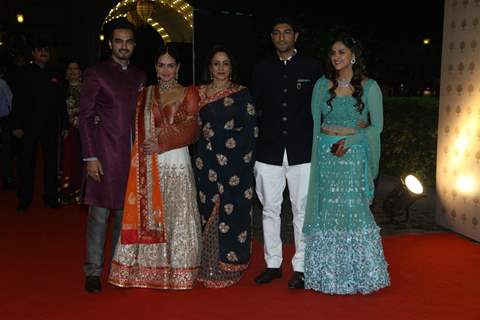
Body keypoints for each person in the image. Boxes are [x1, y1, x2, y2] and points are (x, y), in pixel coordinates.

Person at [108, 45, 202, 290]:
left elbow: (191, 130)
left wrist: (161, 141)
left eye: (171, 65)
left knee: (177, 214)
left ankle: (179, 269)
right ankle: (145, 269)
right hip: (149, 161)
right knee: (149, 213)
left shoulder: (189, 92)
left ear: (178, 68)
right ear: (156, 68)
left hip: (176, 161)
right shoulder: (145, 93)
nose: (166, 70)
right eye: (161, 65)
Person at [303, 35, 390, 294]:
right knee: (327, 210)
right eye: (333, 53)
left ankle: (363, 274)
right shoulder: (321, 85)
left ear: (353, 55)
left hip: (352, 156)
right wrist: (322, 150)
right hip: (326, 155)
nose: (336, 57)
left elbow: (378, 126)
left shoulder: (370, 87)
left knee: (354, 209)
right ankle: (327, 275)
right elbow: (315, 123)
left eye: (341, 52)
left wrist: (352, 140)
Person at [251, 17, 322, 289]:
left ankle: (301, 267)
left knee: (301, 210)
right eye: (277, 33)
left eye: (287, 33)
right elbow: (253, 108)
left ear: (296, 36)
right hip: (268, 151)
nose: (282, 37)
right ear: (272, 37)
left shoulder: (312, 67)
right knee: (269, 209)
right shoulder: (261, 68)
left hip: (301, 151)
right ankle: (272, 264)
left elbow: (319, 109)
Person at [79, 19, 146, 293]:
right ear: (110, 44)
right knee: (99, 215)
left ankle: (120, 267)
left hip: (132, 155)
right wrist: (90, 157)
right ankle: (93, 271)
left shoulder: (140, 76)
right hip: (104, 154)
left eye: (129, 41)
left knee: (124, 215)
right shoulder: (96, 73)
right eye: (118, 41)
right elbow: (84, 117)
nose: (124, 46)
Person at [193, 46, 257, 288]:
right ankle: (208, 263)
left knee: (233, 211)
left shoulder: (242, 94)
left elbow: (251, 131)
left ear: (231, 68)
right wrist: (200, 132)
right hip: (204, 161)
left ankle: (230, 264)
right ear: (209, 68)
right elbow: (188, 127)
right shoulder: (197, 94)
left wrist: (220, 136)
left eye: (225, 63)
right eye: (216, 63)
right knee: (206, 208)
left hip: (234, 165)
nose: (220, 68)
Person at [12, 38, 68, 212]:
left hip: (50, 126)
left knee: (51, 163)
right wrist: (16, 125)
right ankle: (25, 197)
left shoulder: (56, 73)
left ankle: (50, 197)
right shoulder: (24, 72)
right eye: (40, 50)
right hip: (28, 126)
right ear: (34, 53)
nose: (44, 53)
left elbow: (61, 102)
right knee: (26, 163)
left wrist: (65, 125)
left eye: (46, 50)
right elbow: (17, 101)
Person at [59, 60, 83, 204]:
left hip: (82, 130)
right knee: (67, 158)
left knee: (80, 159)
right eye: (70, 68)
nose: (73, 71)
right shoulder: (61, 88)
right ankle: (66, 191)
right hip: (66, 130)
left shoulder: (86, 89)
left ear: (80, 72)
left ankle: (80, 191)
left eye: (76, 68)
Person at [0, 64, 14, 189]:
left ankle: (7, 177)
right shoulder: (2, 83)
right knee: (5, 150)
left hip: (4, 120)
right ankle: (7, 177)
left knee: (5, 150)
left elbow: (11, 101)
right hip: (4, 120)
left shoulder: (2, 84)